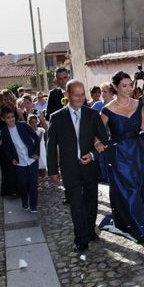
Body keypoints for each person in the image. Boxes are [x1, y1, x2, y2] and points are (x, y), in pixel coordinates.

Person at [47, 79, 109, 252]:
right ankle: (80, 240)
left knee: (91, 202)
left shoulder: (92, 115)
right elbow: (50, 146)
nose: (81, 98)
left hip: (90, 167)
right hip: (69, 169)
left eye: (83, 94)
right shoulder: (56, 117)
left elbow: (104, 139)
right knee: (76, 204)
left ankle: (90, 231)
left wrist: (92, 154)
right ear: (67, 95)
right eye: (76, 95)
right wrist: (53, 171)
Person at [99, 71, 144, 243]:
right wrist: (98, 143)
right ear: (116, 88)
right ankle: (137, 227)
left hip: (138, 154)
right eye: (124, 86)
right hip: (118, 157)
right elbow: (97, 133)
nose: (128, 89)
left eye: (130, 85)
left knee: (140, 189)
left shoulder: (138, 104)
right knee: (127, 191)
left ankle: (138, 221)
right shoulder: (107, 110)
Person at [0, 107, 41, 213]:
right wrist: (12, 158)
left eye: (12, 117)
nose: (11, 119)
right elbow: (5, 147)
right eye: (8, 118)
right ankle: (24, 200)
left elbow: (36, 138)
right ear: (3, 119)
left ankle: (33, 205)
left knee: (33, 183)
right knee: (22, 183)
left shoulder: (23, 125)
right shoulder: (4, 132)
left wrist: (37, 153)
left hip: (31, 159)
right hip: (19, 162)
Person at [0, 90, 23, 196]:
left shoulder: (17, 110)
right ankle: (9, 190)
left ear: (10, 98)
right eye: (2, 99)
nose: (4, 101)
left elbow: (23, 124)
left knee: (18, 165)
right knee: (6, 166)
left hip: (17, 141)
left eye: (5, 99)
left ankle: (20, 188)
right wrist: (6, 134)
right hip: (4, 140)